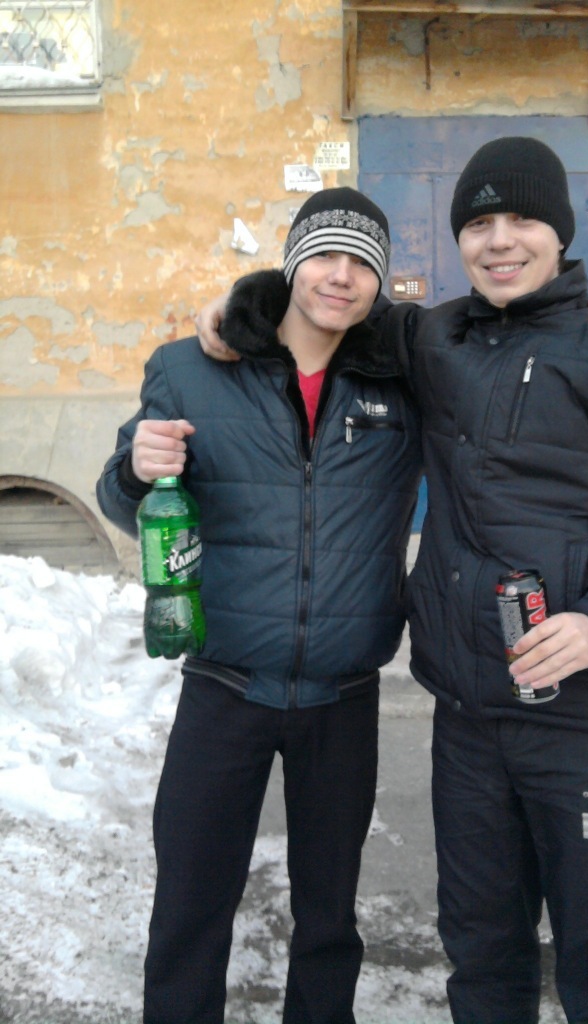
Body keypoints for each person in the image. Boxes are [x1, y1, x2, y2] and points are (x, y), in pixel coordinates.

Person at [196, 139, 588, 1024]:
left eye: (523, 219)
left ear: (563, 233)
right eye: (479, 223)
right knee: (482, 957)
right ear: (459, 239)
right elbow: (324, 302)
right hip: (469, 723)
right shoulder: (436, 340)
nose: (501, 240)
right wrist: (230, 312)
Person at [96, 187, 424, 1024]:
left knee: (329, 914)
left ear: (379, 284)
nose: (340, 277)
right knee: (191, 901)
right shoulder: (189, 369)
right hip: (224, 685)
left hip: (342, 696)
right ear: (291, 264)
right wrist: (135, 468)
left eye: (362, 264)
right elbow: (122, 494)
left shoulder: (403, 380)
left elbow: (495, 338)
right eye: (324, 256)